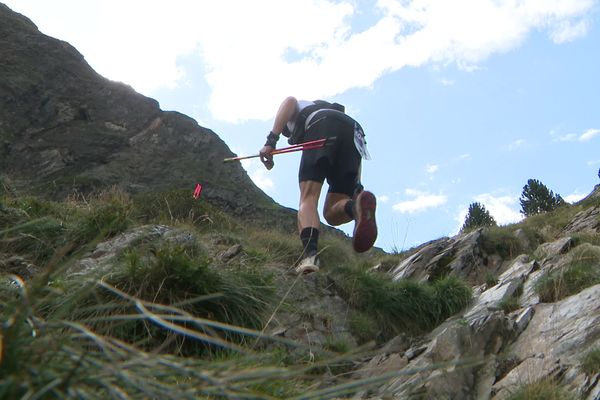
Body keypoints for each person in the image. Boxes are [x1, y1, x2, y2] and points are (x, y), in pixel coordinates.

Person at [259, 96, 377, 274]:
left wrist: (271, 141)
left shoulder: (304, 108)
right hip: (354, 133)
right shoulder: (335, 112)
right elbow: (359, 153)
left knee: (308, 197)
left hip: (322, 126)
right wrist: (356, 186)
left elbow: (289, 101)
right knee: (332, 214)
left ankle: (310, 257)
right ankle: (356, 208)